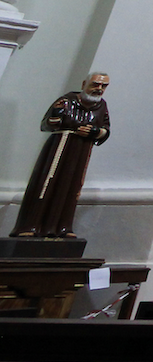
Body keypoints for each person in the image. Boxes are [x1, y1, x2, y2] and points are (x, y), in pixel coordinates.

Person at [11, 73, 111, 240]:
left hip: (81, 151)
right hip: (60, 146)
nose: (99, 89)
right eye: (95, 84)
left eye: (103, 86)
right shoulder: (67, 101)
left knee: (71, 188)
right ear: (84, 83)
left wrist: (95, 132)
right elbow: (46, 124)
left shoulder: (101, 106)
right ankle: (30, 225)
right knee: (45, 184)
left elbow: (105, 129)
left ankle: (61, 227)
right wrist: (57, 117)